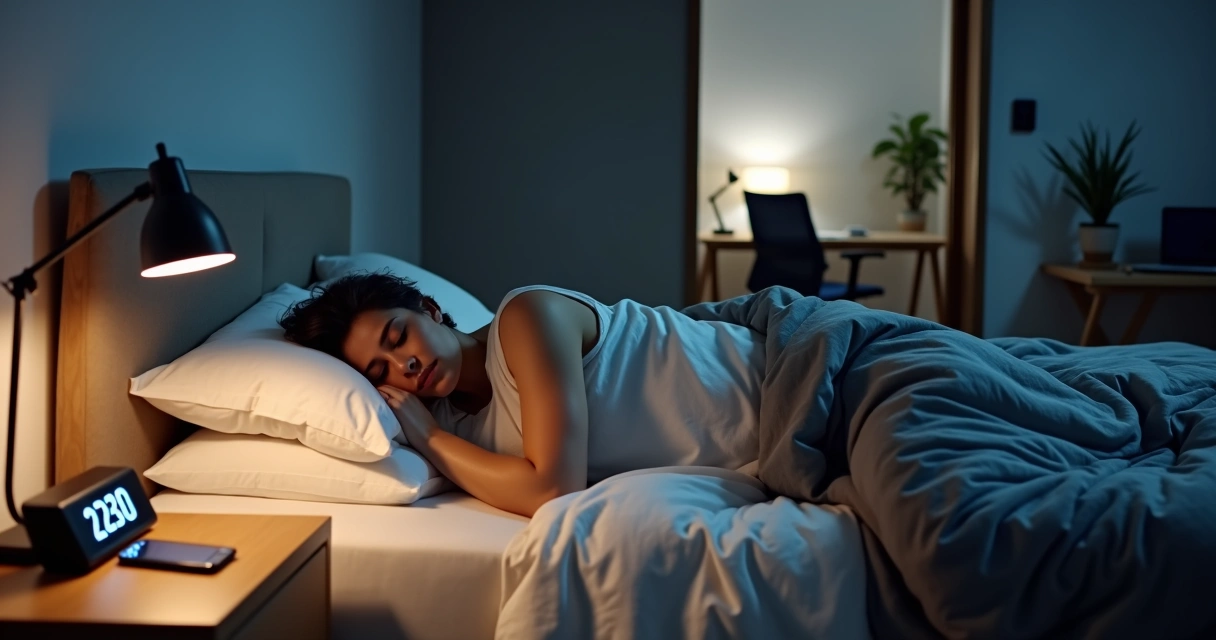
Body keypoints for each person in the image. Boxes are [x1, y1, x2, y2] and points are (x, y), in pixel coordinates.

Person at [280, 272, 765, 517]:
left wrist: (431, 439)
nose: (404, 366)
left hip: (788, 379)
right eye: (380, 370)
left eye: (398, 336)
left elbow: (554, 489)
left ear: (428, 309)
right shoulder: (449, 422)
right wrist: (431, 434)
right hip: (764, 452)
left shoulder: (525, 319)